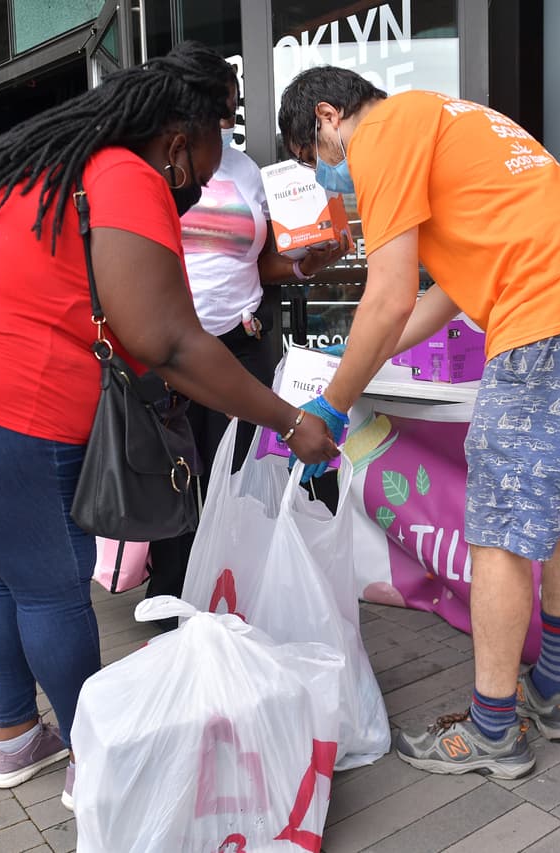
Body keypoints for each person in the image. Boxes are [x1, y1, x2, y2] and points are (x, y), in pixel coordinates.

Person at [0, 42, 337, 809]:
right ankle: (96, 769)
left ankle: (16, 737)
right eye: (220, 132)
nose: (219, 159)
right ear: (178, 141)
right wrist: (292, 420)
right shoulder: (127, 174)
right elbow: (168, 341)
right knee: (50, 587)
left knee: (0, 570)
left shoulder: (52, 165)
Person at [278, 68, 560, 779]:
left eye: (315, 158)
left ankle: (492, 730)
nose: (328, 176)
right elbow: (444, 294)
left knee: (500, 536)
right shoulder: (454, 119)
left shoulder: (381, 135)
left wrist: (330, 403)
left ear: (328, 117)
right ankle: (549, 689)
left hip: (551, 320)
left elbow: (388, 296)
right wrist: (358, 355)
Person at [145, 67, 348, 603]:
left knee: (237, 475)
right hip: (170, 348)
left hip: (241, 344)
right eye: (223, 103)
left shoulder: (249, 172)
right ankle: (173, 597)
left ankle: (235, 588)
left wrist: (307, 264)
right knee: (176, 476)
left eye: (233, 105)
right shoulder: (152, 167)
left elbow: (260, 263)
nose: (229, 115)